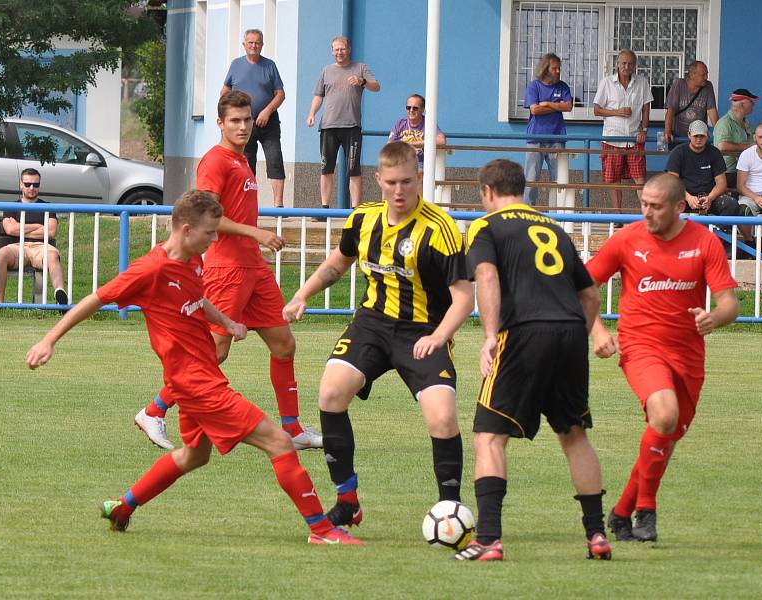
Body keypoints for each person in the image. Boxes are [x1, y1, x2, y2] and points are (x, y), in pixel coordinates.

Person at [25, 190, 362, 546]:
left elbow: (198, 299)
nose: (215, 240)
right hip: (196, 384)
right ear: (186, 230)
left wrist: (227, 323)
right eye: (209, 233)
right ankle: (321, 530)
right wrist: (49, 340)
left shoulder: (193, 261)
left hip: (200, 379)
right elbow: (95, 299)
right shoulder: (150, 269)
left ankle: (123, 506)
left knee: (193, 455)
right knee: (279, 442)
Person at [282, 142, 473, 528]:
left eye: (406, 181)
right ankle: (347, 501)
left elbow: (464, 299)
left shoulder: (442, 229)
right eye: (391, 183)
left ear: (419, 178)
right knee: (331, 393)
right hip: (372, 324)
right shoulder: (363, 219)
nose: (399, 191)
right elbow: (337, 264)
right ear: (378, 180)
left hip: (422, 331)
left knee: (442, 417)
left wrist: (439, 337)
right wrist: (302, 294)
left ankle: (450, 510)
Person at [134, 91, 321, 453]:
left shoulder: (241, 160)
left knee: (284, 345)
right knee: (212, 353)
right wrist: (257, 232)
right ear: (219, 123)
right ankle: (153, 411)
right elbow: (206, 216)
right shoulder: (215, 161)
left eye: (247, 119)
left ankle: (293, 428)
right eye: (235, 120)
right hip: (226, 269)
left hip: (253, 267)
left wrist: (255, 240)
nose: (243, 126)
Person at [453, 159, 610, 562]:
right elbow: (590, 294)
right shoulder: (554, 230)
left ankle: (488, 539)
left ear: (487, 191)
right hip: (571, 332)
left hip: (522, 333)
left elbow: (486, 277)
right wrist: (577, 335)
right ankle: (596, 536)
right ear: (521, 188)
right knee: (574, 436)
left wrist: (490, 336)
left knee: (489, 435)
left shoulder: (487, 227)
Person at [587, 173, 738, 543]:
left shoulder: (704, 242)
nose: (647, 212)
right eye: (643, 204)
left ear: (678, 207)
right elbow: (583, 284)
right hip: (641, 347)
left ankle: (621, 513)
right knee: (665, 415)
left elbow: (729, 304)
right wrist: (599, 331)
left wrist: (713, 318)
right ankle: (646, 510)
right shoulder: (626, 239)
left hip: (688, 354)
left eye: (655, 206)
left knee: (667, 433)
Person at [306, 36, 380, 209]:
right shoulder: (326, 70)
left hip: (352, 126)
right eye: (336, 49)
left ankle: (355, 208)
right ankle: (324, 207)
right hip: (328, 126)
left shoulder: (360, 68)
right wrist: (311, 113)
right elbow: (318, 95)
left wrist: (362, 81)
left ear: (349, 49)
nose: (339, 52)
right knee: (326, 169)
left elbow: (376, 86)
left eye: (342, 49)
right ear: (332, 51)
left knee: (353, 169)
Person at [221, 29, 286, 208]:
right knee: (246, 164)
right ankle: (245, 204)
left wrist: (267, 111)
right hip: (244, 123)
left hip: (268, 122)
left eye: (257, 43)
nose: (253, 46)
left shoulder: (269, 66)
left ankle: (278, 205)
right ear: (244, 45)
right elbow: (225, 92)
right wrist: (226, 116)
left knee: (275, 160)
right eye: (250, 42)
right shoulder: (236, 65)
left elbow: (280, 94)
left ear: (262, 45)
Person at [0, 168, 68, 305]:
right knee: (1, 254)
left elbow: (51, 231)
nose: (32, 188)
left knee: (52, 255)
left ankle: (60, 293)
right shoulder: (11, 207)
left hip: (41, 247)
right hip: (17, 247)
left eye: (36, 184)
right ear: (21, 184)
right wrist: (38, 227)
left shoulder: (47, 207)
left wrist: (19, 227)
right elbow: (10, 229)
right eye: (27, 184)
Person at [593, 49, 653, 212]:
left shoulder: (641, 82)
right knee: (614, 180)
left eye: (630, 63)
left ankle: (645, 215)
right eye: (623, 63)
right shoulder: (606, 82)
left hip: (634, 138)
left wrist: (644, 129)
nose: (626, 66)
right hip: (612, 139)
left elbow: (646, 108)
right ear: (617, 65)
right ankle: (618, 214)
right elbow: (597, 110)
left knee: (640, 178)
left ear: (634, 66)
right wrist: (616, 112)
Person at [523, 53, 573, 205]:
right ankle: (527, 211)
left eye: (559, 68)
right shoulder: (534, 86)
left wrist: (547, 104)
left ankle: (559, 214)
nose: (558, 71)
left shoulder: (563, 86)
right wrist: (557, 106)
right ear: (545, 68)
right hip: (535, 138)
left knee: (559, 179)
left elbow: (569, 106)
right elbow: (535, 110)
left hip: (557, 138)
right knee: (531, 179)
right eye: (554, 68)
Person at [665, 120, 739, 217]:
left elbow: (721, 183)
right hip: (683, 196)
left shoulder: (714, 152)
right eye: (696, 136)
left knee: (731, 204)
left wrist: (710, 198)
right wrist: (688, 198)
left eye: (702, 136)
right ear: (689, 135)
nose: (699, 139)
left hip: (709, 196)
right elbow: (671, 182)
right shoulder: (678, 152)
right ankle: (676, 231)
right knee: (668, 203)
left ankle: (719, 230)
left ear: (707, 136)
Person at [663, 61, 718, 148]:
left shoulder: (708, 86)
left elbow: (712, 112)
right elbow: (671, 110)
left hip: (699, 138)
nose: (706, 77)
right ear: (692, 75)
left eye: (707, 74)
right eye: (703, 75)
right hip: (679, 137)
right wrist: (667, 131)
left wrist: (720, 133)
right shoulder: (679, 84)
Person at [387, 93, 446, 171]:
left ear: (422, 110)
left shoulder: (428, 123)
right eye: (408, 107)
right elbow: (389, 145)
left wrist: (411, 143)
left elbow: (442, 141)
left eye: (415, 108)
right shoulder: (400, 123)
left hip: (420, 164)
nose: (411, 110)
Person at [713, 89, 758, 189]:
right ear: (742, 105)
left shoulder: (747, 123)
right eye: (751, 102)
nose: (753, 105)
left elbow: (760, 140)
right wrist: (749, 146)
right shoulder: (724, 123)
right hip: (728, 173)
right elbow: (722, 146)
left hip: (743, 170)